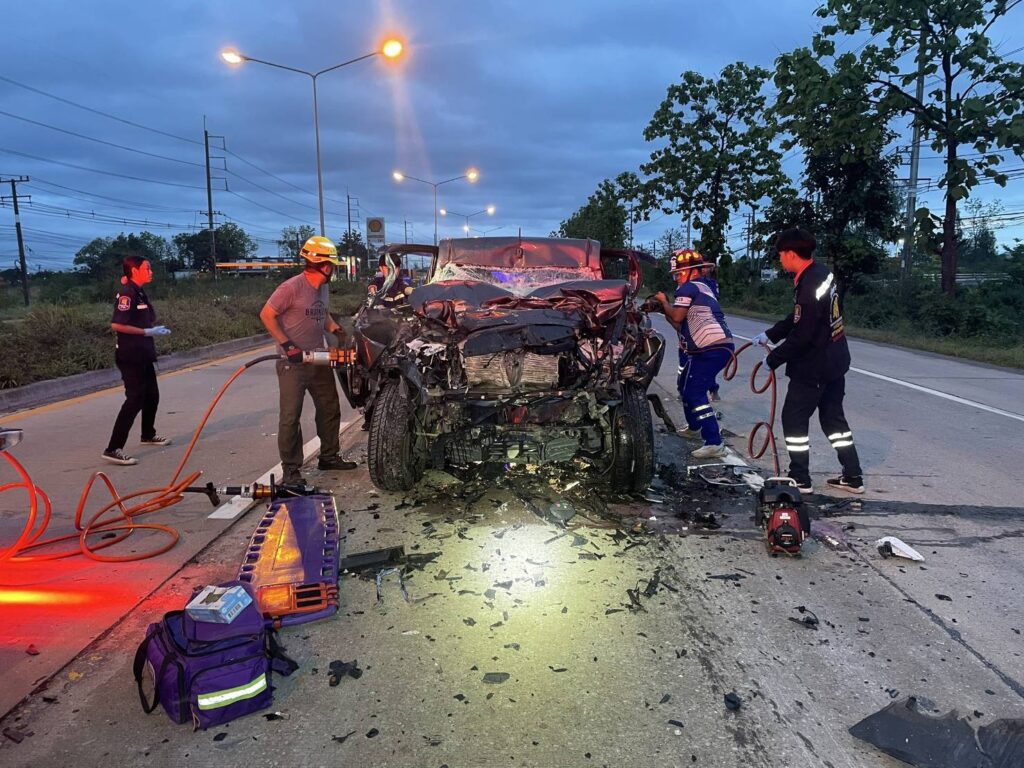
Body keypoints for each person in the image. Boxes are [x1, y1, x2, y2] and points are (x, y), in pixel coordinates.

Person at [753, 227, 863, 495]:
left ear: (791, 253)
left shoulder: (809, 283)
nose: (780, 259)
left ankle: (800, 478)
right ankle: (853, 476)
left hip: (814, 366)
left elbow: (804, 334)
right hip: (835, 361)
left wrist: (774, 359)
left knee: (793, 420)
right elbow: (800, 317)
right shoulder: (821, 273)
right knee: (833, 420)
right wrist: (771, 334)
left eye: (781, 254)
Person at [260, 236, 357, 485]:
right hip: (291, 364)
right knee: (290, 417)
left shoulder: (322, 288)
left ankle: (329, 456)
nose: (333, 269)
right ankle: (291, 470)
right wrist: (288, 345)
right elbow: (267, 314)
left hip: (318, 358)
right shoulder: (291, 287)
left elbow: (322, 313)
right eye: (332, 265)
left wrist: (335, 329)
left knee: (329, 407)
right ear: (323, 266)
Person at [654, 248, 735, 459]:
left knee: (694, 392)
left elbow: (677, 316)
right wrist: (663, 310)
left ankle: (714, 442)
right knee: (684, 387)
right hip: (710, 348)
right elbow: (680, 325)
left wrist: (663, 302)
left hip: (711, 348)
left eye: (680, 274)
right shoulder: (704, 287)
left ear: (693, 271)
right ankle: (694, 427)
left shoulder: (688, 288)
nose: (678, 279)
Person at [102, 256, 172, 466]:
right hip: (130, 356)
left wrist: (151, 330)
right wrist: (146, 332)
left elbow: (146, 316)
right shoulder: (127, 293)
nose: (151, 272)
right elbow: (117, 324)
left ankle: (147, 434)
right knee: (134, 399)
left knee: (152, 396)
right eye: (147, 268)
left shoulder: (139, 291)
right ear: (134, 271)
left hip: (143, 353)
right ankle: (113, 448)